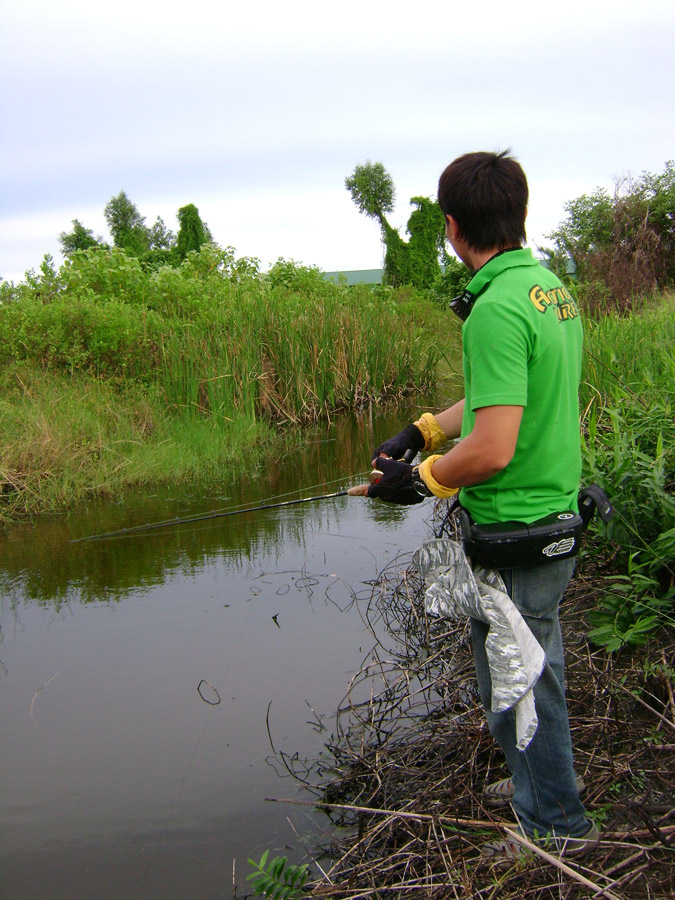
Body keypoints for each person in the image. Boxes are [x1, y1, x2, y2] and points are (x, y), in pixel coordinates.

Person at [364, 150, 599, 860]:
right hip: (544, 514)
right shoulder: (544, 290)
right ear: (517, 213)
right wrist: (425, 430)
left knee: (524, 676)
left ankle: (554, 824)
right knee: (517, 663)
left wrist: (422, 478)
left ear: (450, 225)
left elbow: (492, 448)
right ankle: (535, 779)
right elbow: (499, 399)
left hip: (516, 527)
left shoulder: (492, 310)